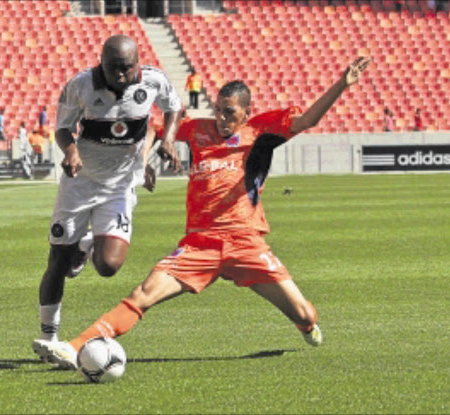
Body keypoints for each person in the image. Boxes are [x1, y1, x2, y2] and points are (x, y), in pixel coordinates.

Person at [33, 57, 371, 369]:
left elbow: (308, 119)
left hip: (246, 244)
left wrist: (342, 85)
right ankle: (75, 347)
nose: (223, 119)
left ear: (246, 113)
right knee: (143, 295)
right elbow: (152, 129)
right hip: (199, 246)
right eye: (220, 110)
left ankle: (305, 324)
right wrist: (144, 159)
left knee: (305, 313)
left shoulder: (261, 133)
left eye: (231, 113)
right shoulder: (198, 130)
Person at [32, 34, 183, 356]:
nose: (119, 74)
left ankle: (86, 246)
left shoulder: (153, 80)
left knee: (109, 266)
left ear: (137, 64)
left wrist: (168, 140)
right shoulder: (81, 85)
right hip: (80, 182)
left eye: (126, 68)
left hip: (118, 185)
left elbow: (173, 107)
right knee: (58, 259)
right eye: (112, 68)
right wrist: (70, 151)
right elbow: (62, 128)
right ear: (101, 61)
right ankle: (49, 336)